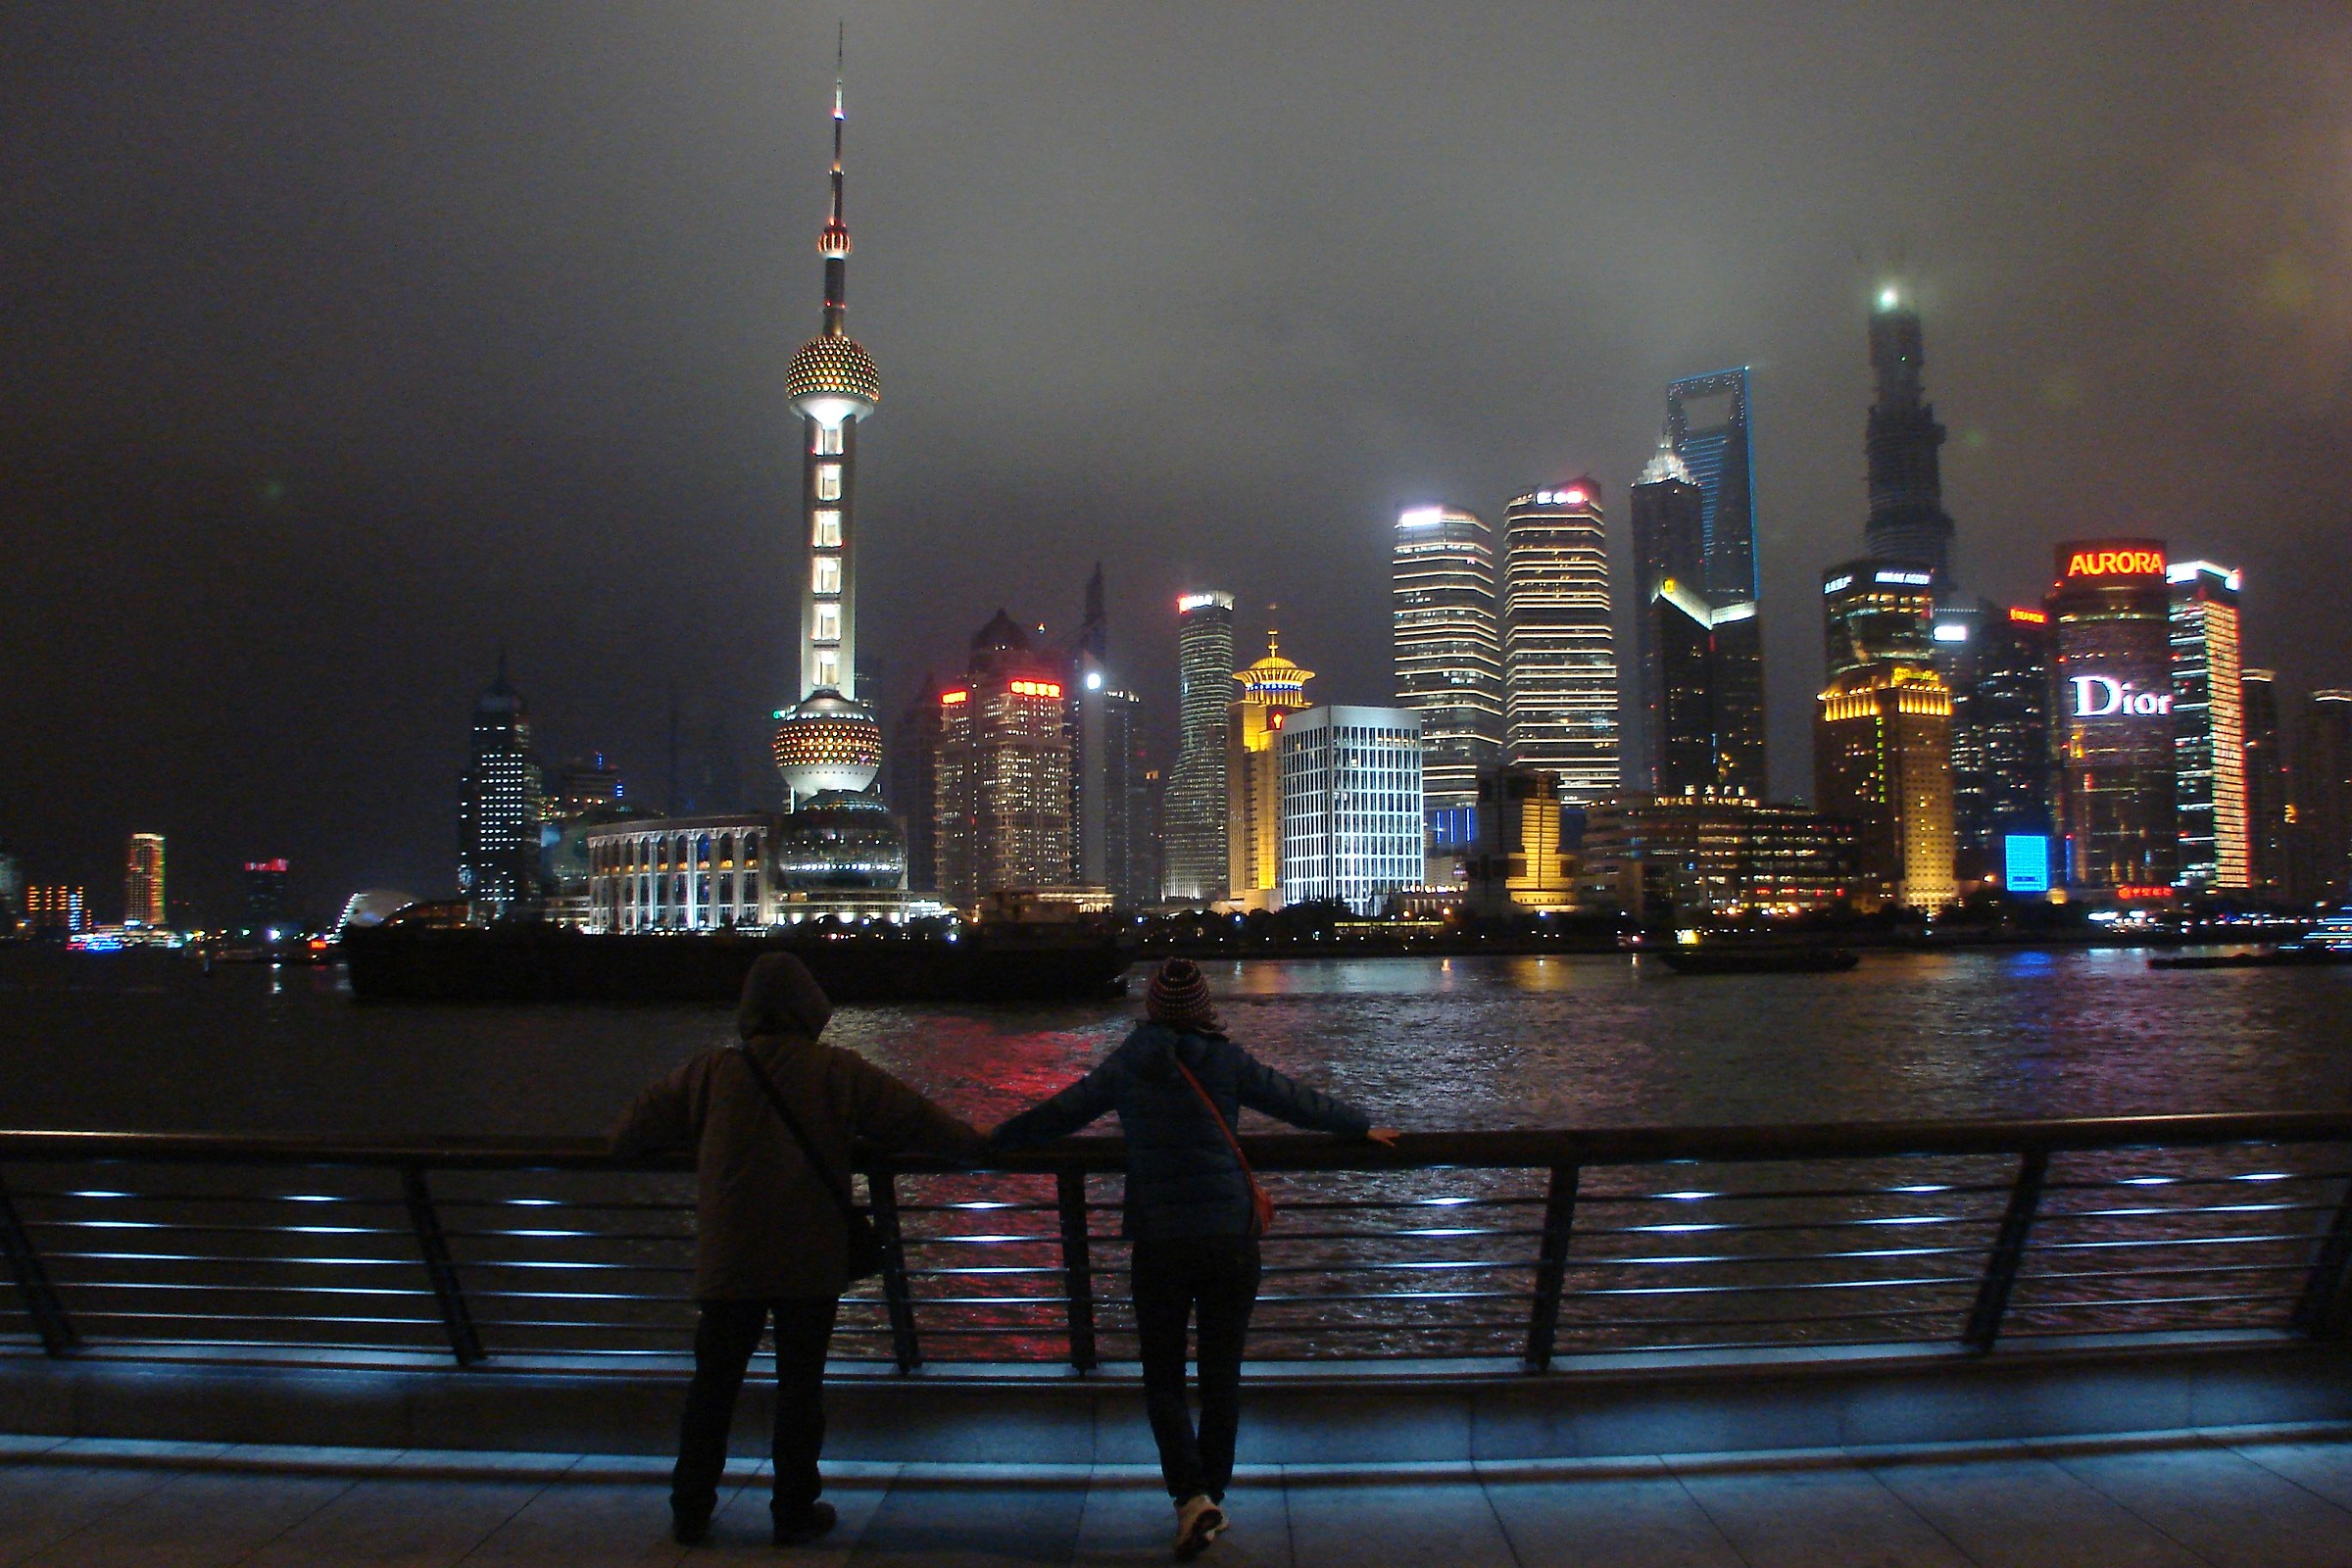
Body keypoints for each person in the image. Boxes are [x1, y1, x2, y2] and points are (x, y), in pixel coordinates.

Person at [989, 957, 1397, 1558]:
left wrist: (990, 1142)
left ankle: (1192, 1498)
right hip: (1230, 1237)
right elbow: (1294, 1100)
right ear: (1205, 1007)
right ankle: (1212, 1495)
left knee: (1163, 1376)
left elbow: (1064, 1112)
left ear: (1153, 1007)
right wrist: (1359, 1126)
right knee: (1220, 1374)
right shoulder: (1225, 1060)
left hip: (1161, 1238)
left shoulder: (1131, 1060)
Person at [611, 953, 983, 1546]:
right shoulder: (838, 1071)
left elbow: (628, 1136)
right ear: (813, 1010)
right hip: (809, 1256)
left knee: (713, 1387)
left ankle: (690, 1507)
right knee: (801, 1388)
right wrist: (985, 1146)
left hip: (731, 1257)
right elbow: (922, 1123)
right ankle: (793, 1509)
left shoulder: (709, 1074)